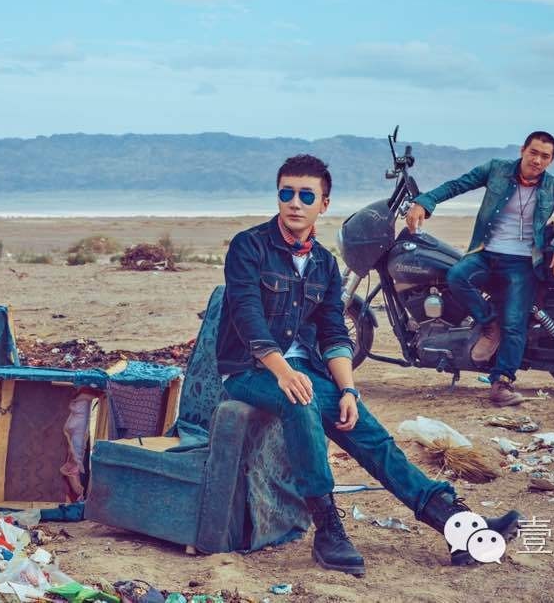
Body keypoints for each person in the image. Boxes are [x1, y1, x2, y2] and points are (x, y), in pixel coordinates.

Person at [217, 154, 519, 576]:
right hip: (249, 370)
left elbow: (333, 333)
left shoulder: (324, 264)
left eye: (307, 195)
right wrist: (284, 373)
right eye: (287, 193)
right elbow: (248, 317)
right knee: (300, 402)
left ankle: (457, 524)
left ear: (324, 204)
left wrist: (348, 390)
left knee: (371, 435)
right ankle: (328, 530)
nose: (295, 203)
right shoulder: (248, 246)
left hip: (307, 372)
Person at [406, 131, 554, 407]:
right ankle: (490, 324)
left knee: (515, 322)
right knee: (457, 276)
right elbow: (457, 185)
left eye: (545, 156)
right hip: (486, 253)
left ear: (551, 160)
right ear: (523, 150)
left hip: (523, 263)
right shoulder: (496, 170)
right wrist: (424, 202)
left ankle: (502, 383)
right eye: (533, 152)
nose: (537, 160)